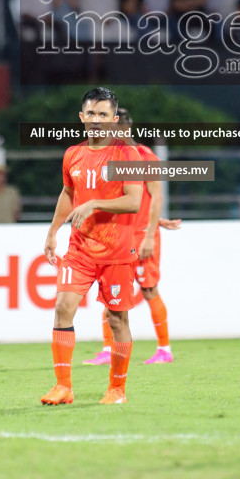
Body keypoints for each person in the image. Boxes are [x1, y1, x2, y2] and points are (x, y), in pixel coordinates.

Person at [41, 87, 143, 406]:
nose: (97, 120)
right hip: (80, 249)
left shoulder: (128, 154)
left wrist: (95, 204)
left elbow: (133, 202)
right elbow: (68, 194)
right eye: (91, 114)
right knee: (62, 308)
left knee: (117, 319)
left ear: (114, 120)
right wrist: (53, 231)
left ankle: (117, 389)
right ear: (82, 117)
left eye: (103, 114)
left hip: (116, 252)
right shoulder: (72, 154)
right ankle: (63, 387)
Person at [84, 108, 182, 367]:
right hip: (120, 235)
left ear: (125, 129)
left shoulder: (145, 156)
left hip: (141, 237)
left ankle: (164, 348)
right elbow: (130, 200)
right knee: (109, 290)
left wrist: (150, 234)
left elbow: (157, 196)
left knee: (149, 289)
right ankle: (108, 348)